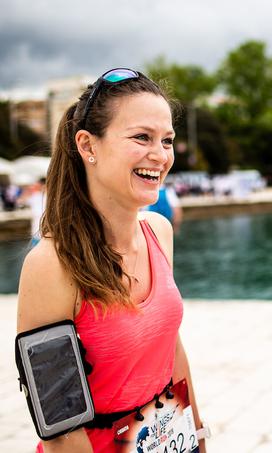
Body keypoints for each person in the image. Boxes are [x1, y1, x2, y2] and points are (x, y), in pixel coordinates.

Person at [16, 68, 207, 452]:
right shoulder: (51, 266)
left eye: (167, 140)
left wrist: (198, 435)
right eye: (142, 137)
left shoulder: (158, 230)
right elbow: (60, 427)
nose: (160, 155)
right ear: (88, 146)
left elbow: (171, 346)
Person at [18, 177, 46, 246]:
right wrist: (29, 190)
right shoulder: (35, 195)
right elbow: (20, 201)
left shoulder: (50, 196)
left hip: (46, 234)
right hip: (36, 232)